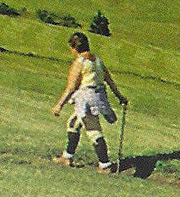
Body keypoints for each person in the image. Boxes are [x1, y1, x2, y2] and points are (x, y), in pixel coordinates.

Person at [51, 31, 127, 174]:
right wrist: (119, 96)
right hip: (99, 96)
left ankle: (105, 165)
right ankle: (67, 157)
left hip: (85, 99)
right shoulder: (97, 60)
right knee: (73, 124)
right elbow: (109, 80)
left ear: (74, 48)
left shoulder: (80, 63)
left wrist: (59, 104)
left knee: (93, 130)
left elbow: (71, 87)